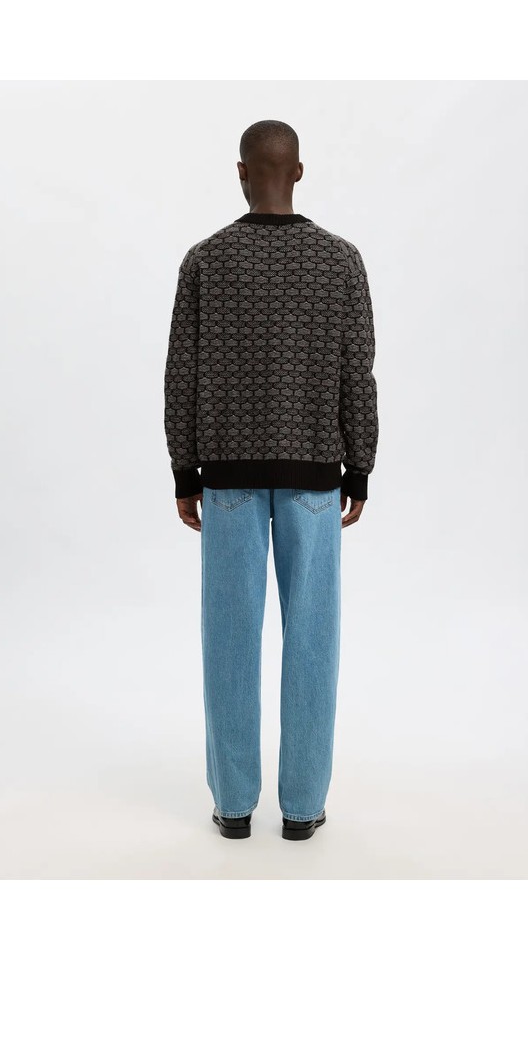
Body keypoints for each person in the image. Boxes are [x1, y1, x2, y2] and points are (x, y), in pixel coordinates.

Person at [163, 120, 379, 842]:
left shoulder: (205, 261)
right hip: (315, 475)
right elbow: (357, 371)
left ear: (241, 172)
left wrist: (185, 468)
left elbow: (181, 374)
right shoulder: (340, 261)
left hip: (226, 476)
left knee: (229, 641)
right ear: (300, 172)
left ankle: (232, 806)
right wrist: (360, 466)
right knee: (313, 641)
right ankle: (302, 808)